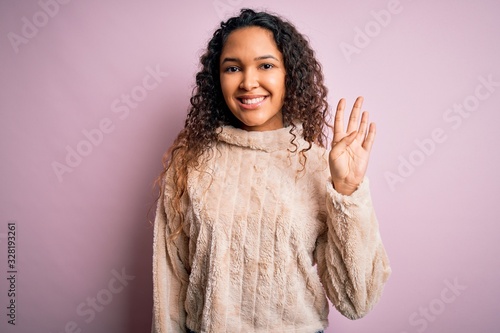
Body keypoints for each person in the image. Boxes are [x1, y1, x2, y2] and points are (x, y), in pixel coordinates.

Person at [151, 8, 391, 333]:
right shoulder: (190, 163)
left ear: (289, 74)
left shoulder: (320, 166)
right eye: (233, 68)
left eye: (266, 65)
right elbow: (171, 282)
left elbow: (357, 301)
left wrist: (347, 189)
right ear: (217, 79)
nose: (249, 82)